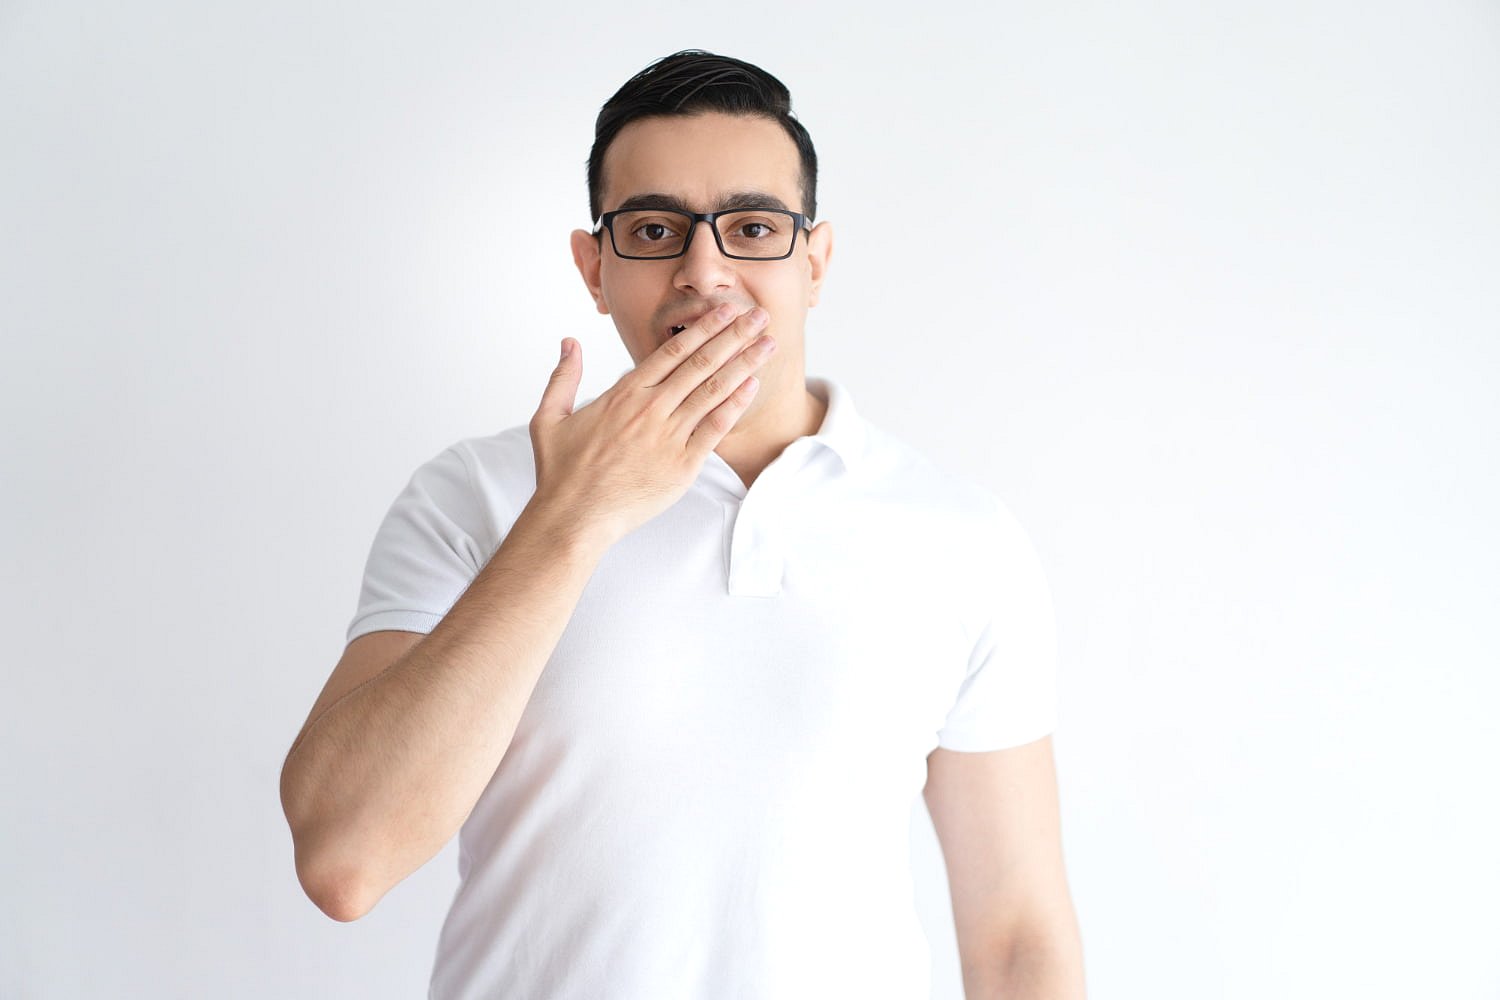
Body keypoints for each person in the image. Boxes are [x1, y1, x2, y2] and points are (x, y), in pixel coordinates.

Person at [280, 49, 1086, 1000]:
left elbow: (1018, 941)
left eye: (753, 228)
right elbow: (346, 861)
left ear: (815, 263)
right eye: (655, 229)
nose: (705, 272)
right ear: (595, 268)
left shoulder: (959, 536)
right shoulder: (474, 497)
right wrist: (574, 516)